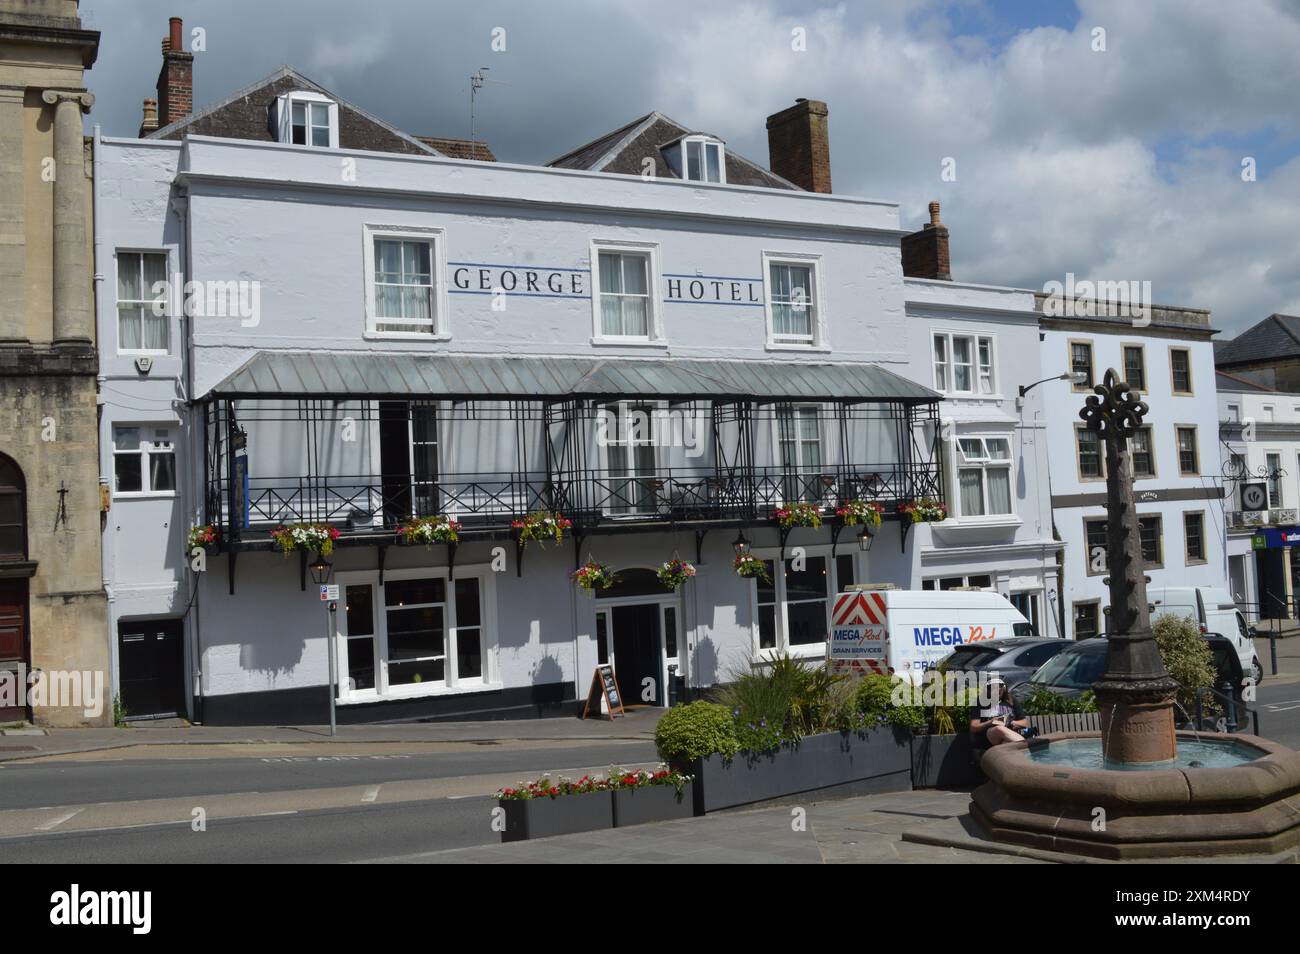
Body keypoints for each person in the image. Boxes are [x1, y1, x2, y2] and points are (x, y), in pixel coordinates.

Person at [969, 676, 1031, 748]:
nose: (996, 689)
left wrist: (1010, 722)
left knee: (1006, 744)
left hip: (1009, 737)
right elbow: (974, 727)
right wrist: (991, 722)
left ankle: (1023, 749)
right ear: (988, 689)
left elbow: (1024, 722)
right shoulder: (980, 701)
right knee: (999, 728)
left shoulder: (1011, 700)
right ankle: (1026, 746)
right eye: (992, 687)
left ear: (1004, 688)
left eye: (999, 686)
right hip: (989, 736)